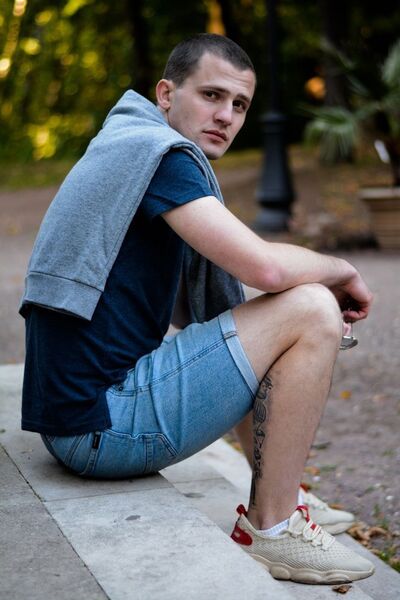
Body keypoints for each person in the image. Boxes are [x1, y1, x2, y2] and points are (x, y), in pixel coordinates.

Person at [20, 33, 374, 584]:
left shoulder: (129, 146)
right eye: (212, 95)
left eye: (240, 105)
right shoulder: (162, 158)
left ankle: (283, 499)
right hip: (100, 429)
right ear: (166, 93)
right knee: (309, 307)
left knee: (274, 320)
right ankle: (274, 529)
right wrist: (341, 271)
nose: (226, 116)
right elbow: (264, 269)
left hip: (77, 421)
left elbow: (218, 327)